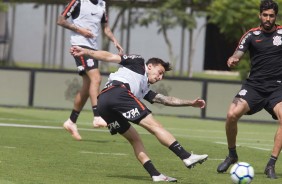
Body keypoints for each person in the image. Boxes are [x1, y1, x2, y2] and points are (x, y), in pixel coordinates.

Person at [70, 45, 208, 182]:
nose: (160, 77)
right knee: (156, 126)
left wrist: (190, 103)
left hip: (103, 103)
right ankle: (186, 156)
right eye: (159, 72)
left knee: (135, 139)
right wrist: (87, 52)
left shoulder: (144, 89)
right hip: (118, 93)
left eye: (162, 75)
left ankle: (155, 174)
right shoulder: (138, 62)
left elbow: (165, 100)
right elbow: (110, 57)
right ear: (149, 66)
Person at [216, 0, 282, 179]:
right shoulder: (251, 35)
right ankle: (232, 155)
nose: (268, 18)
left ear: (275, 16)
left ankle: (271, 164)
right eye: (265, 15)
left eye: (271, 15)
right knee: (231, 115)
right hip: (254, 87)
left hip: (277, 89)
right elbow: (238, 53)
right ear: (260, 15)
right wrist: (233, 59)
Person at [57, 0, 123, 141]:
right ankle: (98, 116)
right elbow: (60, 20)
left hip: (92, 49)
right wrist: (79, 30)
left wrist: (114, 41)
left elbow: (106, 28)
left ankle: (71, 121)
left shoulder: (102, 4)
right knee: (96, 78)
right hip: (79, 46)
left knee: (88, 86)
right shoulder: (77, 1)